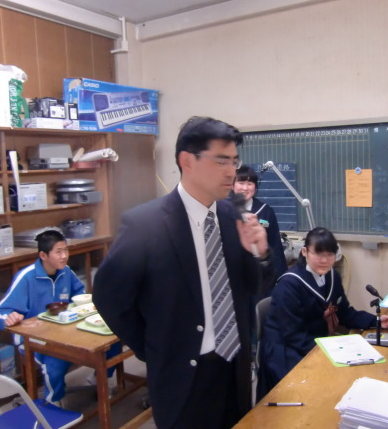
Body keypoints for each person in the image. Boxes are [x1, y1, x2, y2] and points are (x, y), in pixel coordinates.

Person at [93, 116, 274, 429]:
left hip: (234, 368)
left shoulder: (234, 216)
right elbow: (110, 298)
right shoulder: (144, 225)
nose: (231, 172)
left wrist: (260, 254)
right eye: (221, 160)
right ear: (187, 161)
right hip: (181, 378)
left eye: (234, 161)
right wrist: (153, 348)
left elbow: (252, 288)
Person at [256, 227, 388, 399]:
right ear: (305, 252)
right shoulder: (289, 285)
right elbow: (292, 335)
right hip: (286, 349)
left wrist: (376, 321)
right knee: (321, 389)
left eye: (330, 255)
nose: (324, 260)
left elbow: (344, 313)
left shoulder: (332, 276)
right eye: (318, 254)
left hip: (315, 343)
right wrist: (329, 351)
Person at [0, 229, 119, 405]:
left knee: (112, 344)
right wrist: (7, 318)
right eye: (58, 252)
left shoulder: (66, 272)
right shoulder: (26, 277)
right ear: (43, 255)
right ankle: (53, 404)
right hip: (33, 338)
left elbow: (80, 295)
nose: (64, 256)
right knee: (56, 360)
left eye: (66, 250)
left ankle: (98, 381)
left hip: (65, 331)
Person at [231, 165, 288, 288]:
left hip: (260, 273)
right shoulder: (224, 210)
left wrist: (282, 279)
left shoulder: (266, 211)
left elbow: (275, 246)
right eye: (241, 183)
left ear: (255, 187)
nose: (245, 188)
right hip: (232, 275)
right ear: (232, 185)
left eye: (250, 183)